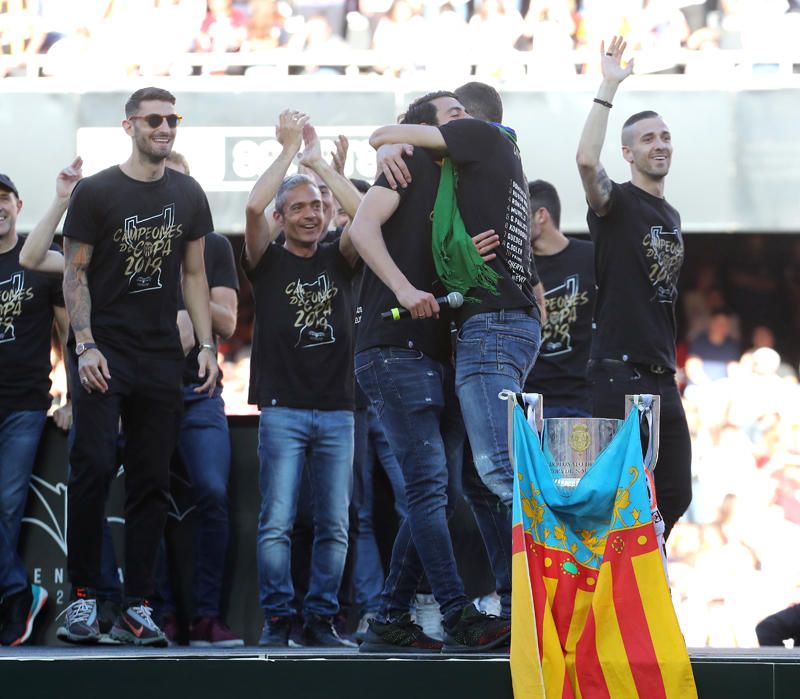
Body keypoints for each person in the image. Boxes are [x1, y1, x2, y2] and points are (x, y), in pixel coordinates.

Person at [349, 91, 513, 654]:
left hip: (437, 353)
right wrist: (403, 288)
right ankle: (457, 613)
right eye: (452, 114)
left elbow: (445, 273)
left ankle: (390, 617)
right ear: (422, 130)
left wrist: (467, 259)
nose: (464, 120)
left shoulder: (461, 185)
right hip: (393, 347)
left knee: (433, 496)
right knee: (428, 490)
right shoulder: (409, 163)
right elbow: (361, 230)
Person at [57, 86, 218, 646]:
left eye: (173, 118)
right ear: (129, 127)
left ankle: (138, 608)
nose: (166, 128)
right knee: (94, 466)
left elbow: (194, 275)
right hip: (104, 351)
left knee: (152, 482)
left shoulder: (189, 193)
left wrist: (205, 346)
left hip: (158, 357)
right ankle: (81, 600)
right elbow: (74, 273)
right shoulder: (97, 192)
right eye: (154, 119)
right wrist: (85, 343)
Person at [369, 81, 541, 512]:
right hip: (507, 324)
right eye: (452, 114)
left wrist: (388, 145)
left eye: (459, 113)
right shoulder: (494, 166)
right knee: (482, 480)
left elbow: (381, 133)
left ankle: (562, 571)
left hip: (493, 327)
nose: (458, 119)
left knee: (501, 469)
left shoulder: (481, 135)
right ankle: (513, 580)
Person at [243, 110, 361, 648]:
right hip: (283, 407)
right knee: (277, 523)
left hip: (338, 407)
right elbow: (250, 206)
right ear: (281, 217)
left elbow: (365, 215)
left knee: (335, 525)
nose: (311, 215)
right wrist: (290, 150)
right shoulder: (265, 260)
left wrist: (321, 169)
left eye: (317, 206)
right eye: (299, 208)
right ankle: (278, 619)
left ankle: (319, 619)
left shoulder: (341, 257)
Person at [576, 36, 691, 539]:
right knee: (617, 499)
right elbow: (584, 161)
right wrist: (608, 84)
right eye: (648, 139)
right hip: (619, 373)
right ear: (627, 152)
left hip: (662, 375)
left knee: (677, 492)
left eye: (664, 136)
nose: (659, 144)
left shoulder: (672, 215)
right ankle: (612, 603)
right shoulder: (616, 203)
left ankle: (645, 577)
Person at [159, 151, 243, 647]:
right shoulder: (131, 242)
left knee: (212, 492)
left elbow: (228, 323)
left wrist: (191, 298)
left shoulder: (211, 245)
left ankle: (209, 615)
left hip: (199, 391)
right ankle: (162, 612)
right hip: (145, 390)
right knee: (149, 498)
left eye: (180, 184)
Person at [0, 170, 70, 646]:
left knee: (6, 506)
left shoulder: (39, 260)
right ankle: (18, 594)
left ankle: (14, 600)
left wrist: (74, 398)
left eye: (4, 199)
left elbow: (70, 332)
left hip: (25, 401)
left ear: (19, 207)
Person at [524, 180, 595, 418]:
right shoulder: (519, 268)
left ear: (540, 215)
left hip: (582, 398)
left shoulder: (590, 257)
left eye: (519, 214)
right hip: (531, 401)